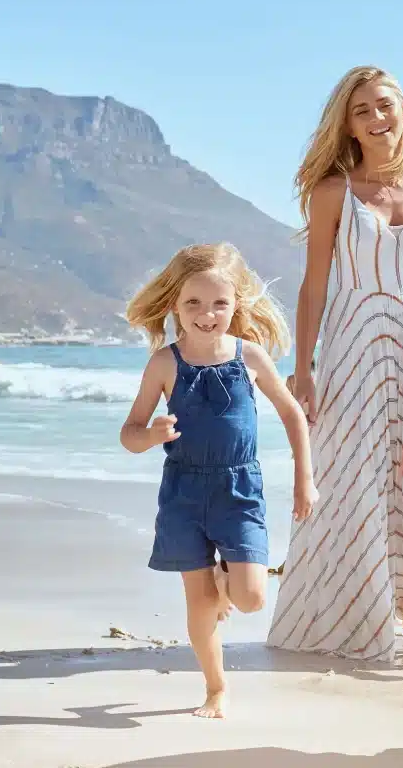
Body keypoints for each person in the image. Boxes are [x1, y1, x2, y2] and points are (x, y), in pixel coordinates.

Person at [268, 67, 403, 660]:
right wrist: (303, 369)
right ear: (348, 125)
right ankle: (361, 610)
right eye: (362, 111)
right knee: (355, 477)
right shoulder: (333, 192)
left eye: (385, 105)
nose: (377, 118)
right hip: (352, 343)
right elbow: (313, 288)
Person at [120, 243, 316, 719]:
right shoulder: (165, 364)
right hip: (184, 493)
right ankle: (215, 689)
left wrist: (303, 480)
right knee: (201, 602)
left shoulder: (249, 357)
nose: (207, 315)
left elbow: (292, 413)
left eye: (219, 304)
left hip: (238, 489)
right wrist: (151, 435)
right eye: (194, 304)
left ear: (237, 305)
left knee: (249, 598)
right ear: (174, 306)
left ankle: (225, 577)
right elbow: (129, 434)